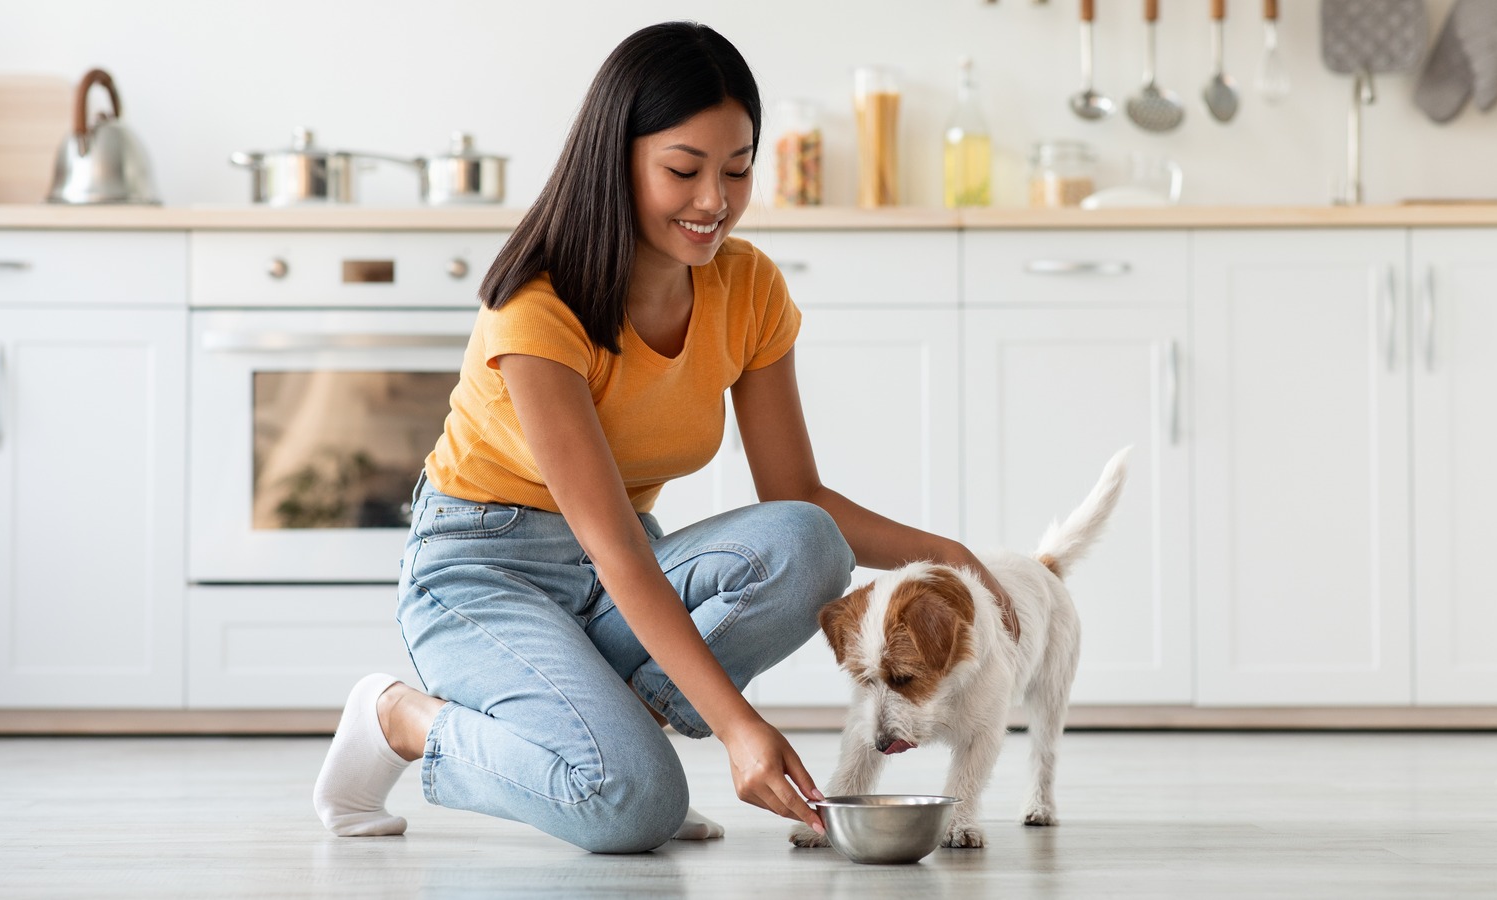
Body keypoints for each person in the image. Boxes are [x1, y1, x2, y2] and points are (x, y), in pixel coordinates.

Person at [312, 20, 1015, 854]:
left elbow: (799, 498)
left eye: (737, 168)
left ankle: (616, 734)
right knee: (632, 808)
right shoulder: (539, 304)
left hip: (613, 575)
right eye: (683, 170)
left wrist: (952, 555)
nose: (714, 200)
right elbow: (613, 547)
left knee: (809, 543)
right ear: (619, 159)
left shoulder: (746, 287)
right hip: (481, 571)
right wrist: (738, 727)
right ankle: (401, 721)